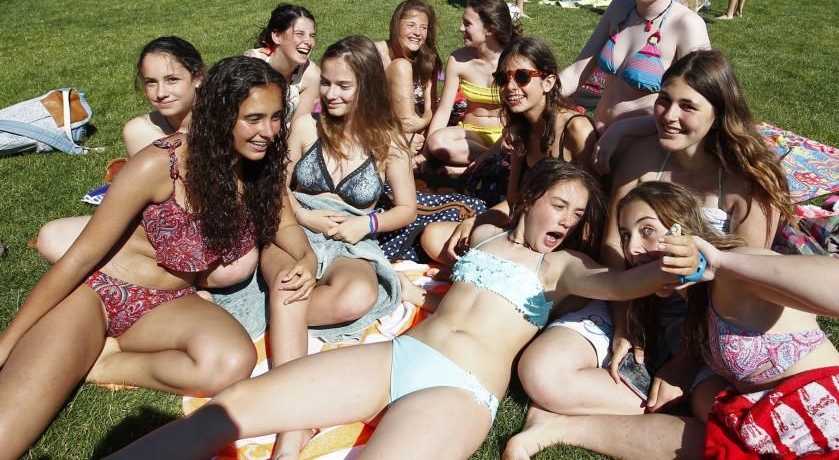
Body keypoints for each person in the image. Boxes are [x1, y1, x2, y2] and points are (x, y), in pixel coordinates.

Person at [102, 159, 702, 460]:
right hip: (398, 355)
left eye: (577, 217)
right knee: (229, 412)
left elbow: (621, 285)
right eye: (559, 206)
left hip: (460, 391)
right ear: (529, 199)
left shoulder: (560, 266)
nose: (566, 222)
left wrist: (666, 266)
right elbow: (431, 235)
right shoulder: (485, 235)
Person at [0, 57, 316, 459]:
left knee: (231, 361)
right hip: (97, 293)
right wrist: (7, 344)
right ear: (219, 115)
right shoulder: (160, 163)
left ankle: (103, 363)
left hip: (166, 305)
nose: (268, 132)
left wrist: (305, 258)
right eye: (254, 118)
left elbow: (285, 223)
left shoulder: (260, 164)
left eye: (275, 118)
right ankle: (75, 348)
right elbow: (78, 260)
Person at [504, 181, 839, 460]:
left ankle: (555, 429)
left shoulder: (738, 267)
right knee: (711, 428)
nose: (635, 248)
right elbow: (610, 288)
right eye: (626, 236)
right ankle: (555, 429)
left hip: (833, 413)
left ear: (685, 228)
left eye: (648, 229)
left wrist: (720, 261)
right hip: (765, 419)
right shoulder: (688, 298)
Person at [516, 50, 793, 424]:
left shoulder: (748, 182)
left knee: (722, 412)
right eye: (664, 101)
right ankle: (650, 399)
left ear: (718, 113)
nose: (670, 116)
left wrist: (688, 358)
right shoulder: (644, 158)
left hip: (710, 318)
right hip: (628, 294)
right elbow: (614, 247)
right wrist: (626, 321)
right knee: (539, 372)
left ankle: (623, 401)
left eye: (687, 106)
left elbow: (741, 282)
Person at [276, 36, 420, 458]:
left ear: (367, 87)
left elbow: (407, 209)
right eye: (327, 84)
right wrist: (304, 217)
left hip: (349, 240)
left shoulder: (387, 141)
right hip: (296, 225)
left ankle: (277, 318)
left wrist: (367, 223)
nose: (331, 94)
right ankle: (292, 406)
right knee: (281, 277)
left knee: (358, 294)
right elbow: (277, 189)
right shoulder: (306, 127)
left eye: (344, 86)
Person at [422, 37, 598, 264]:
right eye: (503, 78)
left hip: (562, 238)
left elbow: (595, 207)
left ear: (548, 81)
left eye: (522, 77)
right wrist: (475, 221)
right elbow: (515, 199)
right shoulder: (521, 128)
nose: (511, 87)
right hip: (525, 227)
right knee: (434, 237)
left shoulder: (576, 129)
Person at [559, 0, 711, 174]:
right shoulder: (620, 8)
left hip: (645, 156)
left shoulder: (687, 26)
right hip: (598, 140)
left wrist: (622, 129)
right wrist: (532, 92)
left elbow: (701, 109)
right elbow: (577, 71)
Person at [35, 37, 207, 265]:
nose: (161, 93)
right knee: (51, 237)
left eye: (172, 80)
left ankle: (145, 275)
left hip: (211, 224)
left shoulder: (221, 120)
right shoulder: (139, 131)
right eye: (151, 82)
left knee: (226, 269)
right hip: (163, 229)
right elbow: (148, 205)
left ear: (198, 78)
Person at [425, 0, 520, 170]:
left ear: (489, 29)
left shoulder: (515, 60)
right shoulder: (458, 59)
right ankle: (496, 161)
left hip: (507, 135)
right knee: (437, 142)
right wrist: (425, 154)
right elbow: (444, 109)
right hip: (471, 135)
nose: (460, 28)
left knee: (519, 142)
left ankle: (472, 166)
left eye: (467, 23)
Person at [375, 0, 442, 153]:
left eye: (424, 27)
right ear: (396, 25)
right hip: (383, 127)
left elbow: (430, 106)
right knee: (401, 65)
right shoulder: (375, 54)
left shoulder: (428, 58)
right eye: (411, 25)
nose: (418, 33)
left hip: (417, 128)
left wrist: (424, 130)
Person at [245, 4, 320, 122]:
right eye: (300, 34)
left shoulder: (312, 75)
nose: (309, 42)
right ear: (276, 36)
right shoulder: (252, 64)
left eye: (312, 36)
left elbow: (300, 127)